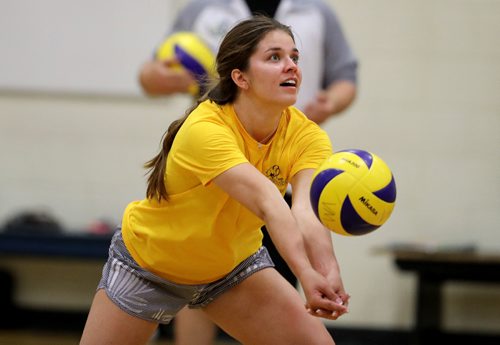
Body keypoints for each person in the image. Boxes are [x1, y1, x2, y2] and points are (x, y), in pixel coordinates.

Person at [80, 16, 349, 345]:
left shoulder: (307, 135)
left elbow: (306, 210)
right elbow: (269, 202)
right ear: (240, 77)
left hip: (232, 269)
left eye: (294, 57)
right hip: (149, 266)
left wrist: (327, 269)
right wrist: (305, 274)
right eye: (274, 57)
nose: (291, 66)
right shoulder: (205, 128)